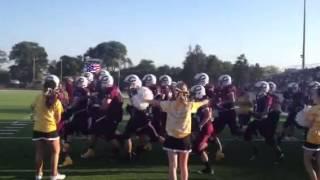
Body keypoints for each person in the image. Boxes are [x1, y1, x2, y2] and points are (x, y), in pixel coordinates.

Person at [146, 81, 209, 180]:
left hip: (171, 138)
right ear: (186, 92)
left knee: (172, 166)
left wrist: (144, 99)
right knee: (184, 166)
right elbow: (203, 102)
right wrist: (206, 101)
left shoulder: (169, 104)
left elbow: (155, 102)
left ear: (175, 92)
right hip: (185, 139)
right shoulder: (190, 105)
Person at [31, 75, 66, 180]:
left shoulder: (39, 96)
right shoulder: (57, 101)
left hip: (37, 128)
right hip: (50, 129)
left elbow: (32, 107)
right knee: (55, 152)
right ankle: (54, 175)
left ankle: (38, 175)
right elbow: (58, 119)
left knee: (39, 152)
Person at [303, 87, 320, 180]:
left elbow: (308, 125)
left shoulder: (314, 109)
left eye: (314, 94)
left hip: (313, 137)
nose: (312, 96)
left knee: (307, 161)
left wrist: (305, 113)